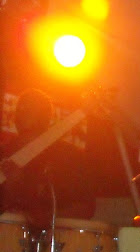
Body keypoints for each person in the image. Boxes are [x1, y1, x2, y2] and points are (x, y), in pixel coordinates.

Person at [0, 88, 96, 227]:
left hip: (54, 236)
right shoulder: (4, 153)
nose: (21, 112)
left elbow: (86, 208)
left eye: (29, 108)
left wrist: (48, 218)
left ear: (46, 116)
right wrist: (10, 189)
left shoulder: (68, 155)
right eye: (19, 108)